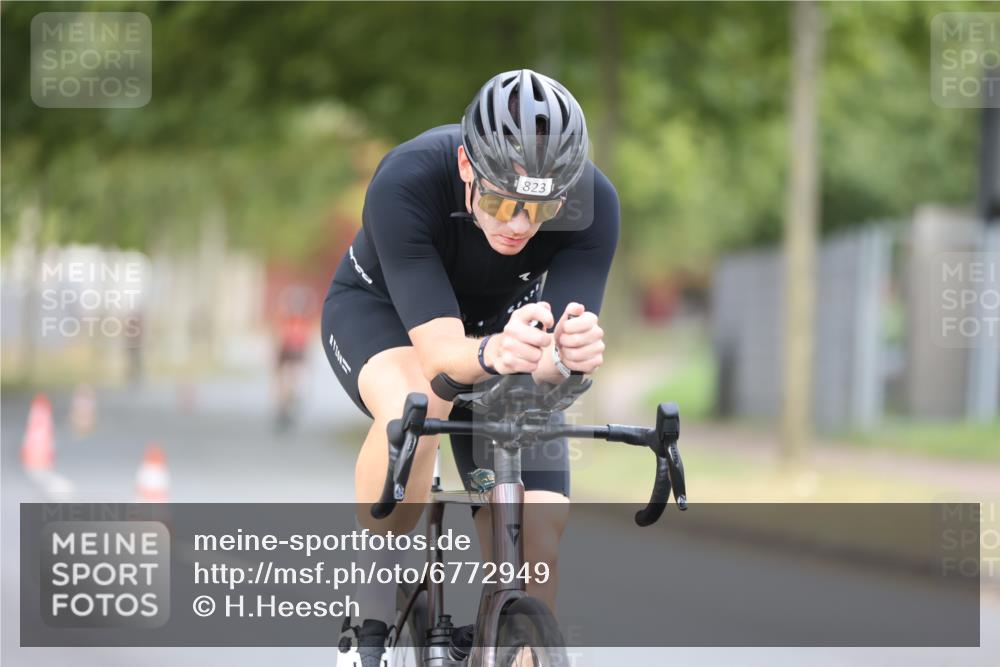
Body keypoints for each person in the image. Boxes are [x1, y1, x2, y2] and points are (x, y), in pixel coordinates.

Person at [322, 69, 619, 667]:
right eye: (498, 200)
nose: (516, 224)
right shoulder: (406, 179)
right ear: (465, 166)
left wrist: (568, 357)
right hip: (387, 315)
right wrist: (493, 354)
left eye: (539, 208)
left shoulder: (594, 204)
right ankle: (371, 610)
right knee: (420, 403)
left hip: (505, 330)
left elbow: (548, 375)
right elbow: (439, 360)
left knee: (539, 534)